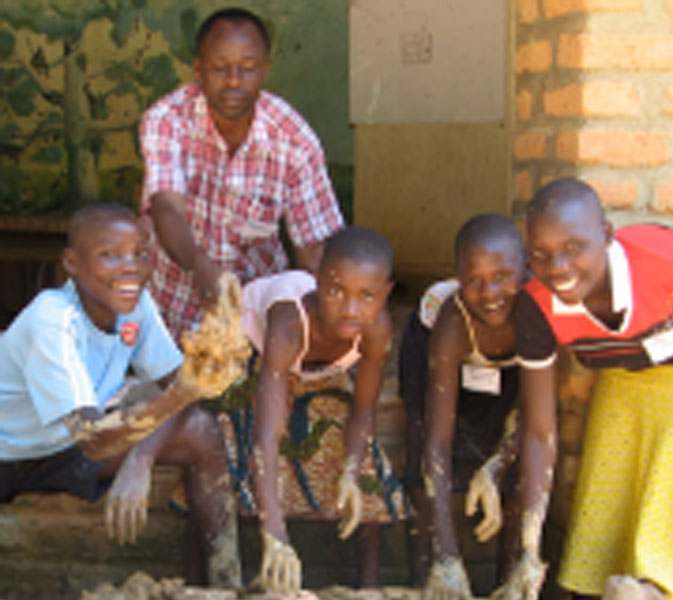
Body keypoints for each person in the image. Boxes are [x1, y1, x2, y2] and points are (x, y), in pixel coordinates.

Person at [508, 177, 673, 600]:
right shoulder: (535, 305)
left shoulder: (668, 260)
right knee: (606, 495)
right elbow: (540, 431)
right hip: (625, 377)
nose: (558, 268)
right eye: (540, 255)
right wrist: (529, 544)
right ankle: (615, 590)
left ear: (605, 235)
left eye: (573, 248)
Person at [0, 204, 243, 588]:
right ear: (72, 263)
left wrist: (142, 456)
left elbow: (183, 392)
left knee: (201, 430)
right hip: (9, 455)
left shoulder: (137, 306)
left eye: (140, 254)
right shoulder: (52, 319)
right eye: (110, 255)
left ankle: (223, 584)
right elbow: (94, 436)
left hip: (66, 449)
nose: (130, 267)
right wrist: (183, 391)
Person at [212, 226, 408, 593]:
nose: (351, 309)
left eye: (367, 296)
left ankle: (369, 586)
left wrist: (350, 468)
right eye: (336, 292)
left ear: (386, 294)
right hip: (252, 353)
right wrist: (275, 534)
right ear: (316, 283)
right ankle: (225, 579)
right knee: (232, 447)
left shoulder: (376, 328)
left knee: (363, 461)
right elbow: (267, 436)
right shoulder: (288, 321)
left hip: (315, 369)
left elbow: (364, 410)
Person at [139, 6, 344, 338]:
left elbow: (315, 247)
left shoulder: (294, 139)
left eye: (247, 68)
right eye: (220, 67)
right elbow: (166, 207)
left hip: (255, 316)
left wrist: (324, 322)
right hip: (170, 309)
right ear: (198, 69)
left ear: (265, 70)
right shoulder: (167, 119)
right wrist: (200, 265)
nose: (234, 79)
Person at [398, 214, 524, 600]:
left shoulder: (534, 314)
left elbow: (534, 420)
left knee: (520, 463)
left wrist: (497, 465)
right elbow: (436, 435)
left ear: (526, 270)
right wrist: (448, 559)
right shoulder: (445, 318)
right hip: (436, 359)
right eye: (474, 280)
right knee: (422, 446)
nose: (490, 291)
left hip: (505, 370)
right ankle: (429, 577)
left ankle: (511, 581)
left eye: (503, 276)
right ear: (457, 277)